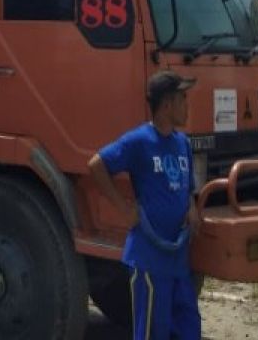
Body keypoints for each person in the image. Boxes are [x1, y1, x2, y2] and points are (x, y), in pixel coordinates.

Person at [88, 72, 202, 340]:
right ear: (166, 105)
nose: (188, 105)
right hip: (149, 259)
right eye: (183, 99)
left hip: (177, 260)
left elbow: (186, 185)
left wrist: (191, 206)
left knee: (188, 327)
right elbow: (96, 165)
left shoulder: (182, 143)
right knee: (153, 331)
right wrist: (124, 209)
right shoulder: (139, 141)